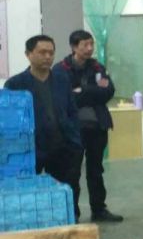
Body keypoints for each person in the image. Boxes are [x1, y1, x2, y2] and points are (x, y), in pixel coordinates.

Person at [6, 35, 82, 216]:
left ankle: (69, 221)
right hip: (30, 150)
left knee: (67, 190)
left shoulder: (62, 80)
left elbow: (72, 111)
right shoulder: (15, 84)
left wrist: (75, 139)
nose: (48, 57)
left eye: (51, 53)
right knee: (25, 193)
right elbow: (10, 120)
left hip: (62, 146)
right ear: (28, 54)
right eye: (42, 52)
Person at [59, 29, 122, 223]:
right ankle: (72, 212)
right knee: (72, 172)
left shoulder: (97, 67)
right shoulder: (61, 69)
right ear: (73, 47)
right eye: (84, 45)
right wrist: (92, 92)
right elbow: (66, 98)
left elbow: (108, 91)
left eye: (91, 44)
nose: (89, 48)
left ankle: (99, 209)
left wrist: (83, 90)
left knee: (96, 170)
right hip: (73, 130)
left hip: (97, 127)